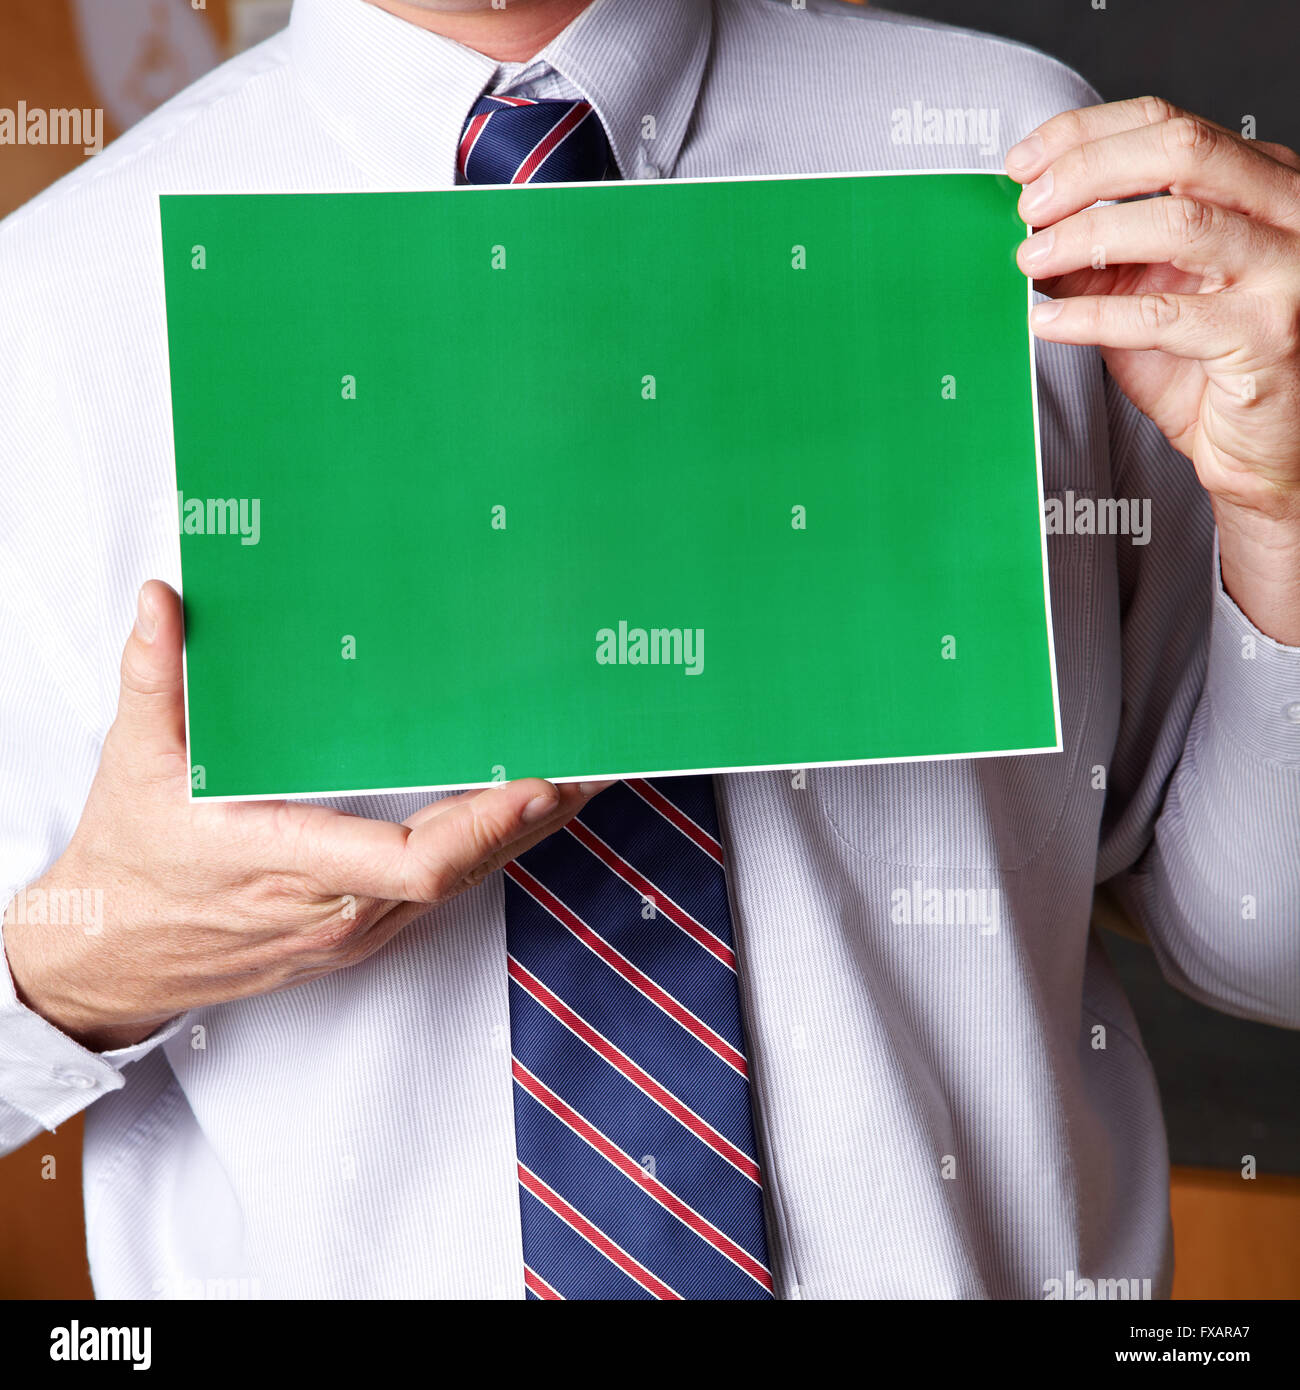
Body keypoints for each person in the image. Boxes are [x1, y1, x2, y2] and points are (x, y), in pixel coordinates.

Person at [1, 0, 1298, 1300]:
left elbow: (1258, 944)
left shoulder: (1022, 163)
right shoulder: (51, 319)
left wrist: (1287, 508)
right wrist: (75, 958)